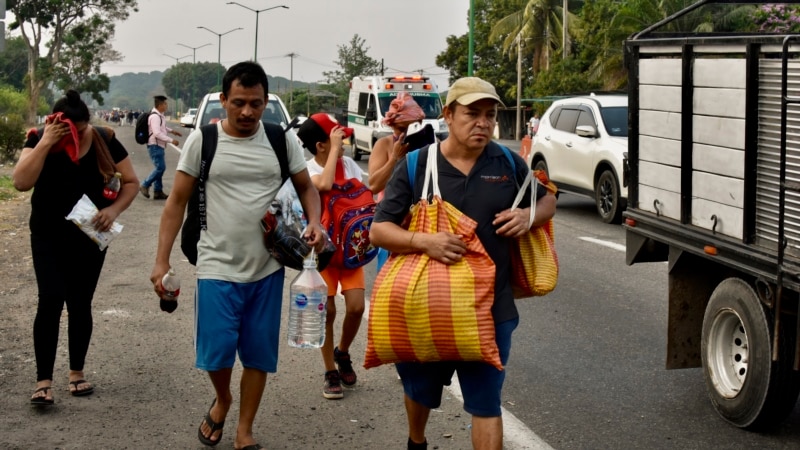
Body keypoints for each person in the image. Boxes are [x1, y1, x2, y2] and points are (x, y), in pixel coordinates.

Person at [370, 77, 557, 450]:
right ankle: (416, 441)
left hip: (491, 308)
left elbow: (547, 199)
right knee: (420, 391)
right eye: (472, 114)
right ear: (449, 115)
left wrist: (529, 216)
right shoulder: (416, 164)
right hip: (425, 307)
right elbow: (379, 231)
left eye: (490, 115)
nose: (483, 123)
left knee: (487, 405)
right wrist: (424, 241)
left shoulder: (507, 162)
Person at [149, 61, 326, 450]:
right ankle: (223, 398)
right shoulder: (203, 141)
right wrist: (161, 260)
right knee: (215, 354)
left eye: (256, 104)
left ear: (265, 102)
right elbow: (176, 201)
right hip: (216, 264)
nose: (247, 112)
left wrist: (316, 221)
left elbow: (306, 187)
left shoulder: (281, 139)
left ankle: (245, 430)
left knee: (259, 356)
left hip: (267, 266)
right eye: (239, 103)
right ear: (224, 101)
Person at [13, 90, 139, 406]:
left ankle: (76, 373)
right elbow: (20, 182)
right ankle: (43, 382)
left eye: (81, 129)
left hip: (89, 235)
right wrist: (45, 142)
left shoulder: (103, 137)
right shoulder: (39, 139)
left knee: (80, 302)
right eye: (69, 129)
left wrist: (113, 211)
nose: (77, 135)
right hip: (46, 234)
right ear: (55, 123)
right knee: (50, 299)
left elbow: (132, 182)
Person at [296, 113, 366, 400]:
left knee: (356, 308)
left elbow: (359, 194)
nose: (344, 141)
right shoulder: (306, 168)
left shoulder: (348, 164)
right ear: (320, 145)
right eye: (336, 137)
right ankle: (329, 370)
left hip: (350, 249)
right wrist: (335, 150)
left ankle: (343, 351)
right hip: (321, 253)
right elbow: (322, 186)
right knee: (328, 312)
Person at [368, 92, 426, 196]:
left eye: (413, 128)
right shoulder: (384, 144)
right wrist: (395, 158)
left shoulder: (429, 143)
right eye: (401, 129)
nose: (406, 134)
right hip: (391, 208)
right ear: (392, 126)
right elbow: (374, 187)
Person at [140, 95, 182, 200]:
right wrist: (172, 140)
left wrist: (173, 131)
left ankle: (158, 191)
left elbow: (162, 127)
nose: (166, 105)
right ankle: (145, 184)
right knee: (160, 168)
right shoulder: (155, 117)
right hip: (155, 145)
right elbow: (157, 133)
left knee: (159, 168)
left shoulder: (159, 115)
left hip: (159, 145)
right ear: (160, 105)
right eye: (165, 104)